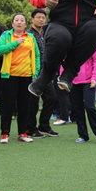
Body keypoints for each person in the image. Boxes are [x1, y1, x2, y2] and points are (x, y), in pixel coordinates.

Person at [0, 13, 40, 143]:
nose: (19, 22)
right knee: (7, 106)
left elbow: (36, 55)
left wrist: (35, 72)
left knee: (24, 106)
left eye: (22, 20)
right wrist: (15, 43)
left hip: (26, 76)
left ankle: (23, 133)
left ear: (25, 24)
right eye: (16, 20)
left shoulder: (30, 37)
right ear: (12, 24)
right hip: (9, 76)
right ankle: (5, 133)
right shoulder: (6, 36)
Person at [26, 9, 58, 137]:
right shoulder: (28, 35)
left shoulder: (46, 33)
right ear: (32, 19)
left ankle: (44, 125)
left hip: (46, 73)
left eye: (43, 18)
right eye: (38, 17)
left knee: (51, 98)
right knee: (33, 102)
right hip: (33, 73)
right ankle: (31, 129)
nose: (41, 20)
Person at [67, 50, 96, 144]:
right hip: (74, 81)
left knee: (89, 106)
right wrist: (64, 78)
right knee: (77, 108)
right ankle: (83, 135)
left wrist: (94, 78)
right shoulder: (70, 44)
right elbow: (65, 61)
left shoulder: (92, 44)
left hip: (89, 81)